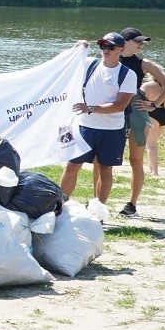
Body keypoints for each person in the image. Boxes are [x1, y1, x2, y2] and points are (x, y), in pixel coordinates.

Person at [61, 33, 136, 208]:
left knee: (105, 169)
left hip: (112, 129)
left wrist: (91, 108)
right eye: (103, 46)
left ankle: (98, 210)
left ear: (121, 49)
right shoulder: (89, 64)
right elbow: (65, 65)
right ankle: (60, 206)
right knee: (72, 165)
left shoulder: (127, 74)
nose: (106, 50)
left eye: (111, 47)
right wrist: (76, 48)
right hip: (84, 126)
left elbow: (120, 105)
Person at [117, 27, 165, 217]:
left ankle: (131, 205)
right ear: (123, 42)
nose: (141, 45)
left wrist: (154, 105)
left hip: (135, 111)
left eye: (142, 42)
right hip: (113, 110)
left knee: (136, 160)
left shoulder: (144, 63)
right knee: (103, 160)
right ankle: (97, 201)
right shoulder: (110, 58)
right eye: (137, 41)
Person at [139, 73, 165, 177]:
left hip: (152, 113)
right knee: (153, 142)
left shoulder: (147, 86)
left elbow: (138, 100)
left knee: (150, 144)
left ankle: (155, 172)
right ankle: (150, 167)